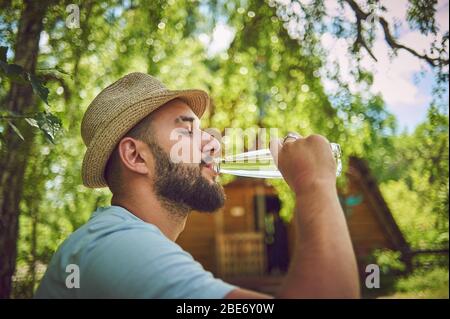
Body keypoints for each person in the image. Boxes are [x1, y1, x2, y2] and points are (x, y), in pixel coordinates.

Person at [35, 72, 359, 298]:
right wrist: (314, 183)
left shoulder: (131, 241)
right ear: (136, 156)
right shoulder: (115, 246)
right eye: (188, 132)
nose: (214, 143)